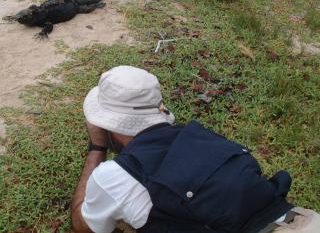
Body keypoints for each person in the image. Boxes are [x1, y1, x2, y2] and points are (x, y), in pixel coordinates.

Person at [71, 65, 320, 233]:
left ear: (108, 123)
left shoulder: (112, 176)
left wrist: (97, 148)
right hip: (301, 221)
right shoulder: (202, 137)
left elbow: (84, 225)